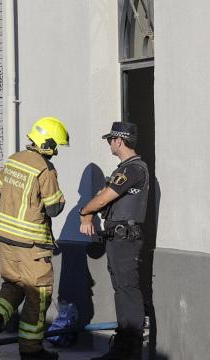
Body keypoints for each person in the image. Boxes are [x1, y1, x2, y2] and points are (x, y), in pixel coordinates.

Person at [0, 117, 69, 360]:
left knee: (13, 287)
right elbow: (53, 208)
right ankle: (32, 350)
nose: (56, 151)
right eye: (55, 145)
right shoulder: (44, 169)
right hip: (32, 246)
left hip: (6, 240)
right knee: (38, 295)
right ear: (47, 143)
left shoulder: (13, 160)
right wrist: (59, 198)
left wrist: (15, 200)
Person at [79, 121, 149, 360]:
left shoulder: (133, 169)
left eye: (111, 139)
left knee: (127, 292)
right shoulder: (126, 169)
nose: (110, 143)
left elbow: (103, 198)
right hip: (119, 239)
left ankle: (129, 352)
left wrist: (85, 214)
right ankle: (123, 350)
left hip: (125, 240)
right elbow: (104, 196)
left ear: (119, 141)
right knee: (122, 292)